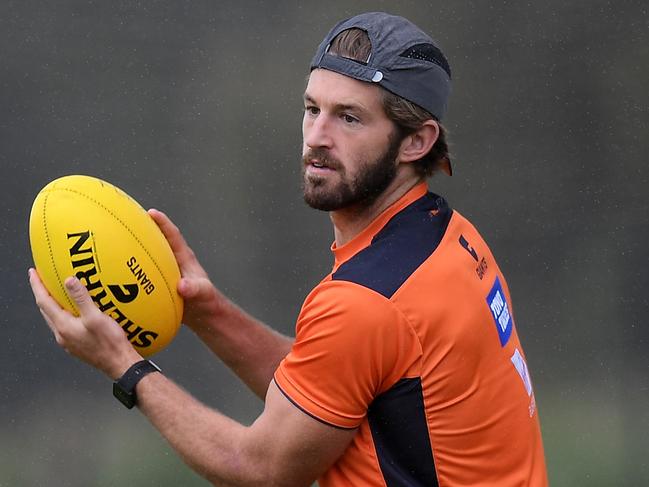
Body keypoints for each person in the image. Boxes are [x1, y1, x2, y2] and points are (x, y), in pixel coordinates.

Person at [29, 11, 548, 487]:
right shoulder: (450, 236)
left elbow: (259, 467)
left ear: (416, 141)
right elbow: (332, 386)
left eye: (349, 118)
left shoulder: (367, 302)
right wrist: (205, 312)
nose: (317, 136)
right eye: (311, 108)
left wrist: (126, 367)